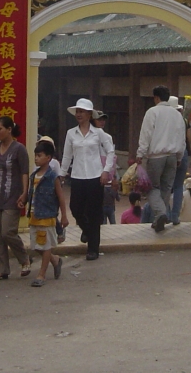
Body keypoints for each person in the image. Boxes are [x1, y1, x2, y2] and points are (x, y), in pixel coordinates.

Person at [62, 98, 115, 260]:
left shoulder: (98, 133)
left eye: (82, 112)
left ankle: (93, 248)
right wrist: (62, 174)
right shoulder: (71, 133)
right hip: (77, 176)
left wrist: (106, 171)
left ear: (89, 115)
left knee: (94, 213)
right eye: (77, 111)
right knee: (75, 208)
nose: (79, 114)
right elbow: (67, 155)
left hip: (95, 177)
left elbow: (111, 151)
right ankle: (86, 230)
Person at [0, 115, 31, 279]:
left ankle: (24, 259)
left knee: (8, 232)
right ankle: (2, 269)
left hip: (13, 196)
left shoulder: (19, 149)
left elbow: (25, 172)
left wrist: (24, 193)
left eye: (0, 129)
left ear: (9, 129)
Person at [136, 86, 186, 233]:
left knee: (151, 187)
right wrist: (179, 156)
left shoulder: (152, 112)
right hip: (172, 157)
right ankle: (160, 220)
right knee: (166, 188)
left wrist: (140, 153)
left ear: (156, 98)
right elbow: (181, 138)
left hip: (156, 157)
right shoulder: (177, 115)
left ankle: (160, 213)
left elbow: (146, 134)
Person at [27, 139, 69, 287]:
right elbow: (30, 194)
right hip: (34, 215)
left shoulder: (52, 177)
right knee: (36, 246)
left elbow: (60, 197)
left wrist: (64, 215)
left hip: (48, 216)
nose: (36, 158)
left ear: (48, 158)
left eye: (39, 155)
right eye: (35, 156)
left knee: (45, 245)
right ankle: (55, 260)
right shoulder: (33, 176)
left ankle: (42, 275)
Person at [93, 110, 120, 224]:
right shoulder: (88, 135)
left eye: (103, 120)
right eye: (99, 119)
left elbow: (111, 155)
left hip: (105, 172)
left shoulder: (107, 137)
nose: (102, 122)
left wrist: (112, 173)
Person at [168, 96, 191, 226]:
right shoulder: (184, 120)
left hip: (168, 154)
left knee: (165, 186)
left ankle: (164, 214)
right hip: (183, 153)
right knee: (178, 187)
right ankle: (175, 216)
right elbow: (189, 137)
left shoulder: (165, 121)